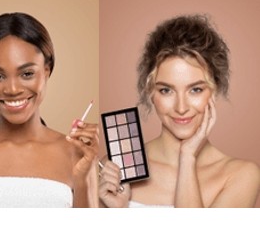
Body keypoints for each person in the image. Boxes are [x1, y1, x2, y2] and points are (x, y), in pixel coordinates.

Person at [0, 12, 99, 208]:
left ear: (47, 70)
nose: (12, 89)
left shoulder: (77, 153)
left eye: (27, 73)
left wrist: (83, 181)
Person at [98, 14, 260, 208]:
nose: (181, 108)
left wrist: (187, 156)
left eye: (195, 90)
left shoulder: (241, 176)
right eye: (166, 90)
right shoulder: (116, 168)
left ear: (214, 90)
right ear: (151, 92)